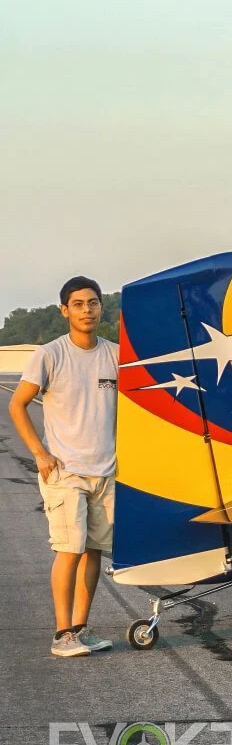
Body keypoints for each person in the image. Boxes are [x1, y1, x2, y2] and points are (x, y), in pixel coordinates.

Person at [8, 277, 118, 656]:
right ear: (64, 310)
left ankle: (81, 629)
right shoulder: (50, 354)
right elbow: (17, 405)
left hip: (106, 472)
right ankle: (62, 635)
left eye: (92, 303)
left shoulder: (116, 355)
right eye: (78, 304)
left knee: (93, 552)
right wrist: (40, 453)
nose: (86, 309)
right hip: (65, 471)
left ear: (102, 307)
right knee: (69, 549)